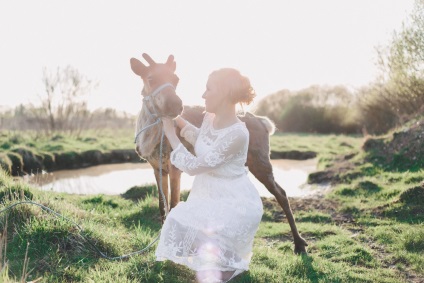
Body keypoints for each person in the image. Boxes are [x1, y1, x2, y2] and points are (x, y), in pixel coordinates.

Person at [155, 68, 263, 283]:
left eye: (208, 89)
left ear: (223, 93)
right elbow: (202, 141)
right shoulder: (209, 118)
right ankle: (216, 259)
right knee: (178, 223)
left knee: (180, 220)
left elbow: (195, 166)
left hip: (234, 201)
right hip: (208, 195)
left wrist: (170, 134)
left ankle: (230, 264)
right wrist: (178, 121)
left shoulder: (238, 134)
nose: (203, 95)